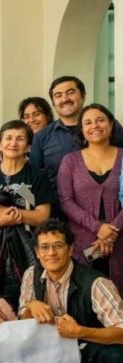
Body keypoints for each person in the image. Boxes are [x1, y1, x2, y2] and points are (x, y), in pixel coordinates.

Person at [19, 219, 123, 363]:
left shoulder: (96, 283)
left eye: (58, 246)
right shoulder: (31, 275)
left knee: (118, 357)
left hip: (87, 348)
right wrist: (30, 307)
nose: (51, 253)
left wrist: (80, 332)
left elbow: (121, 331)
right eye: (45, 247)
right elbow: (20, 325)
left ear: (70, 249)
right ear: (37, 252)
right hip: (48, 351)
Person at [0, 120, 52, 308]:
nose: (13, 143)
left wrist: (12, 214)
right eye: (8, 138)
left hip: (27, 248)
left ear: (28, 146)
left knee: (31, 297)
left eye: (20, 139)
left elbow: (42, 215)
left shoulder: (37, 176)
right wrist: (3, 220)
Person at [58, 104, 123, 294]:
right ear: (82, 130)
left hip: (120, 240)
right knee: (86, 295)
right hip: (83, 241)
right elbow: (65, 201)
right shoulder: (70, 161)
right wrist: (98, 228)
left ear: (111, 125)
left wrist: (112, 231)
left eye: (100, 120)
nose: (95, 125)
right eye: (88, 122)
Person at [30, 75, 123, 193]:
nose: (65, 99)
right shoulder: (41, 137)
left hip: (107, 204)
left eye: (70, 92)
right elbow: (35, 178)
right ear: (53, 102)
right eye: (58, 96)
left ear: (83, 95)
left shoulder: (108, 127)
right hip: (57, 207)